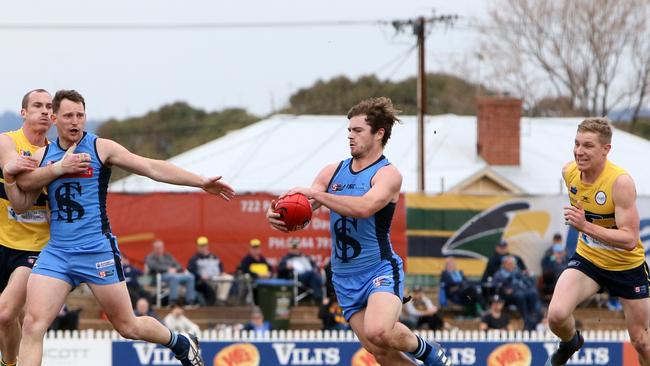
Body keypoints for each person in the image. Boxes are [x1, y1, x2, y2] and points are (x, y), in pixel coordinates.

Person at [10, 89, 235, 366]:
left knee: (128, 326)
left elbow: (151, 167)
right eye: (68, 115)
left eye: (80, 115)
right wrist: (19, 174)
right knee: (33, 325)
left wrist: (199, 181)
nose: (75, 121)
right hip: (57, 252)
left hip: (96, 251)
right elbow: (24, 191)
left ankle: (180, 341)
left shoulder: (100, 148)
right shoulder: (44, 154)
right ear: (55, 118)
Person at [266, 97, 450, 366]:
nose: (350, 136)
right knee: (379, 351)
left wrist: (316, 194)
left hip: (379, 268)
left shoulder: (387, 175)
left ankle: (427, 350)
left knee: (379, 330)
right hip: (343, 276)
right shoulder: (332, 172)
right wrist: (278, 213)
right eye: (349, 131)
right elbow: (306, 205)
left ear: (379, 133)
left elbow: (365, 207)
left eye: (358, 130)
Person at [546, 117, 650, 366]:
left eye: (588, 146)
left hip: (626, 267)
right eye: (577, 144)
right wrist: (586, 229)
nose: (579, 151)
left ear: (606, 149)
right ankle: (570, 342)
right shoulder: (568, 172)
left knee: (642, 342)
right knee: (556, 316)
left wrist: (584, 226)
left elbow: (629, 239)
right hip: (589, 260)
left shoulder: (620, 182)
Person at [0, 89, 55, 366]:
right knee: (14, 319)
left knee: (5, 314)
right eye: (37, 106)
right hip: (1, 241)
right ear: (24, 112)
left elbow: (22, 179)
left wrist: (22, 170)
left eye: (48, 107)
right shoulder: (6, 141)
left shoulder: (58, 154)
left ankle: (8, 364)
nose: (44, 111)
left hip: (33, 248)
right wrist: (49, 171)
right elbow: (20, 177)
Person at [145, 239, 198, 308]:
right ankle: (173, 301)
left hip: (173, 274)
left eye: (160, 247)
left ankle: (190, 301)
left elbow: (178, 265)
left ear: (163, 247)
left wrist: (175, 269)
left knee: (190, 277)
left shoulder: (168, 256)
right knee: (174, 278)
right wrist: (167, 269)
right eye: (157, 248)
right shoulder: (150, 257)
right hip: (159, 276)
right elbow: (153, 266)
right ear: (154, 248)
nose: (159, 249)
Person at [493, 255, 541, 331]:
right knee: (520, 295)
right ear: (504, 264)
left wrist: (528, 276)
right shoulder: (499, 274)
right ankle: (525, 317)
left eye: (513, 263)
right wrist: (504, 289)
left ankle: (533, 315)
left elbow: (526, 282)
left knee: (533, 292)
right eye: (510, 263)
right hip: (508, 296)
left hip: (521, 291)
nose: (513, 265)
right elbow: (496, 288)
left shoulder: (518, 272)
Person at [187, 236, 234, 306]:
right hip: (204, 280)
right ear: (197, 247)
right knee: (214, 284)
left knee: (228, 278)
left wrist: (222, 272)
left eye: (204, 245)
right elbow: (191, 270)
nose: (203, 247)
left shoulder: (214, 256)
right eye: (201, 246)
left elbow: (220, 265)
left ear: (207, 246)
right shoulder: (194, 258)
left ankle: (221, 299)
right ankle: (217, 301)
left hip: (216, 277)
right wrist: (200, 276)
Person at [277, 239, 323, 303]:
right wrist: (286, 267)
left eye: (296, 248)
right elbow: (280, 269)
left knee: (313, 276)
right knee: (313, 274)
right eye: (293, 248)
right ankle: (320, 294)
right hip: (297, 277)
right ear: (289, 248)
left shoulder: (304, 256)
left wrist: (315, 268)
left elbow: (314, 265)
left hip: (309, 276)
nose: (294, 249)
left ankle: (317, 298)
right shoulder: (286, 258)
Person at [539, 234, 568, 299]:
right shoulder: (549, 251)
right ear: (553, 241)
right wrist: (553, 257)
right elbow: (544, 263)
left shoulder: (564, 250)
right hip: (553, 272)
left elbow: (568, 261)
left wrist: (563, 257)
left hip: (563, 270)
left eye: (559, 241)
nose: (558, 242)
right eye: (556, 240)